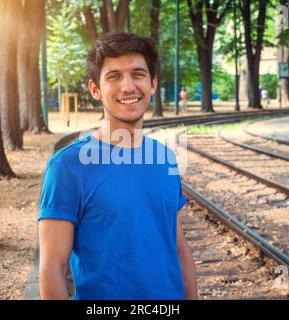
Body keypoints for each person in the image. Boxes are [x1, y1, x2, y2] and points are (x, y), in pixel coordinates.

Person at [37, 32, 198, 300]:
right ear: (95, 90)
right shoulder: (68, 166)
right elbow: (53, 266)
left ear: (153, 83)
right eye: (114, 76)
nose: (128, 86)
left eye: (138, 74)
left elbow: (178, 247)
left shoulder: (165, 158)